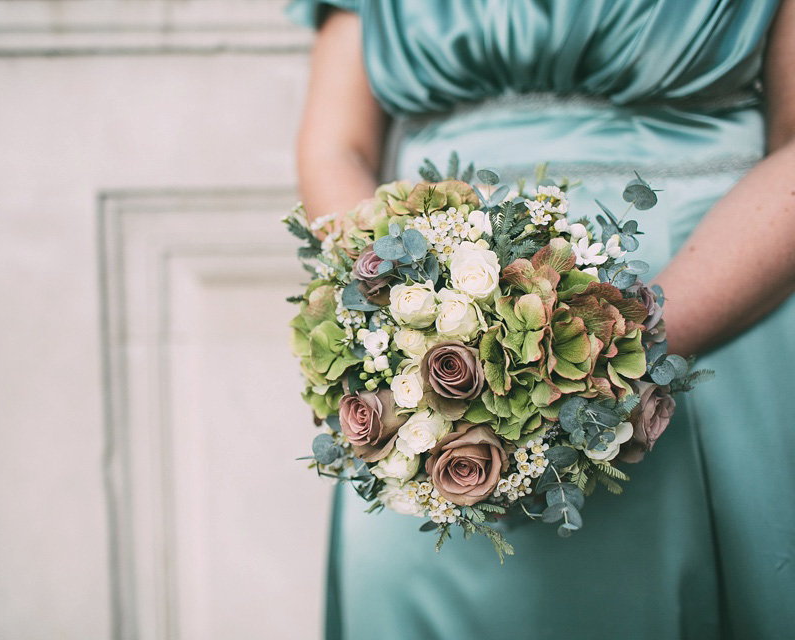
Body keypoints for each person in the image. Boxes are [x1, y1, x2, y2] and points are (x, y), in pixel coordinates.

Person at [287, 1, 795, 639]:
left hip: (715, 297)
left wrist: (617, 349)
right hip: (427, 335)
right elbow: (337, 143)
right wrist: (396, 322)